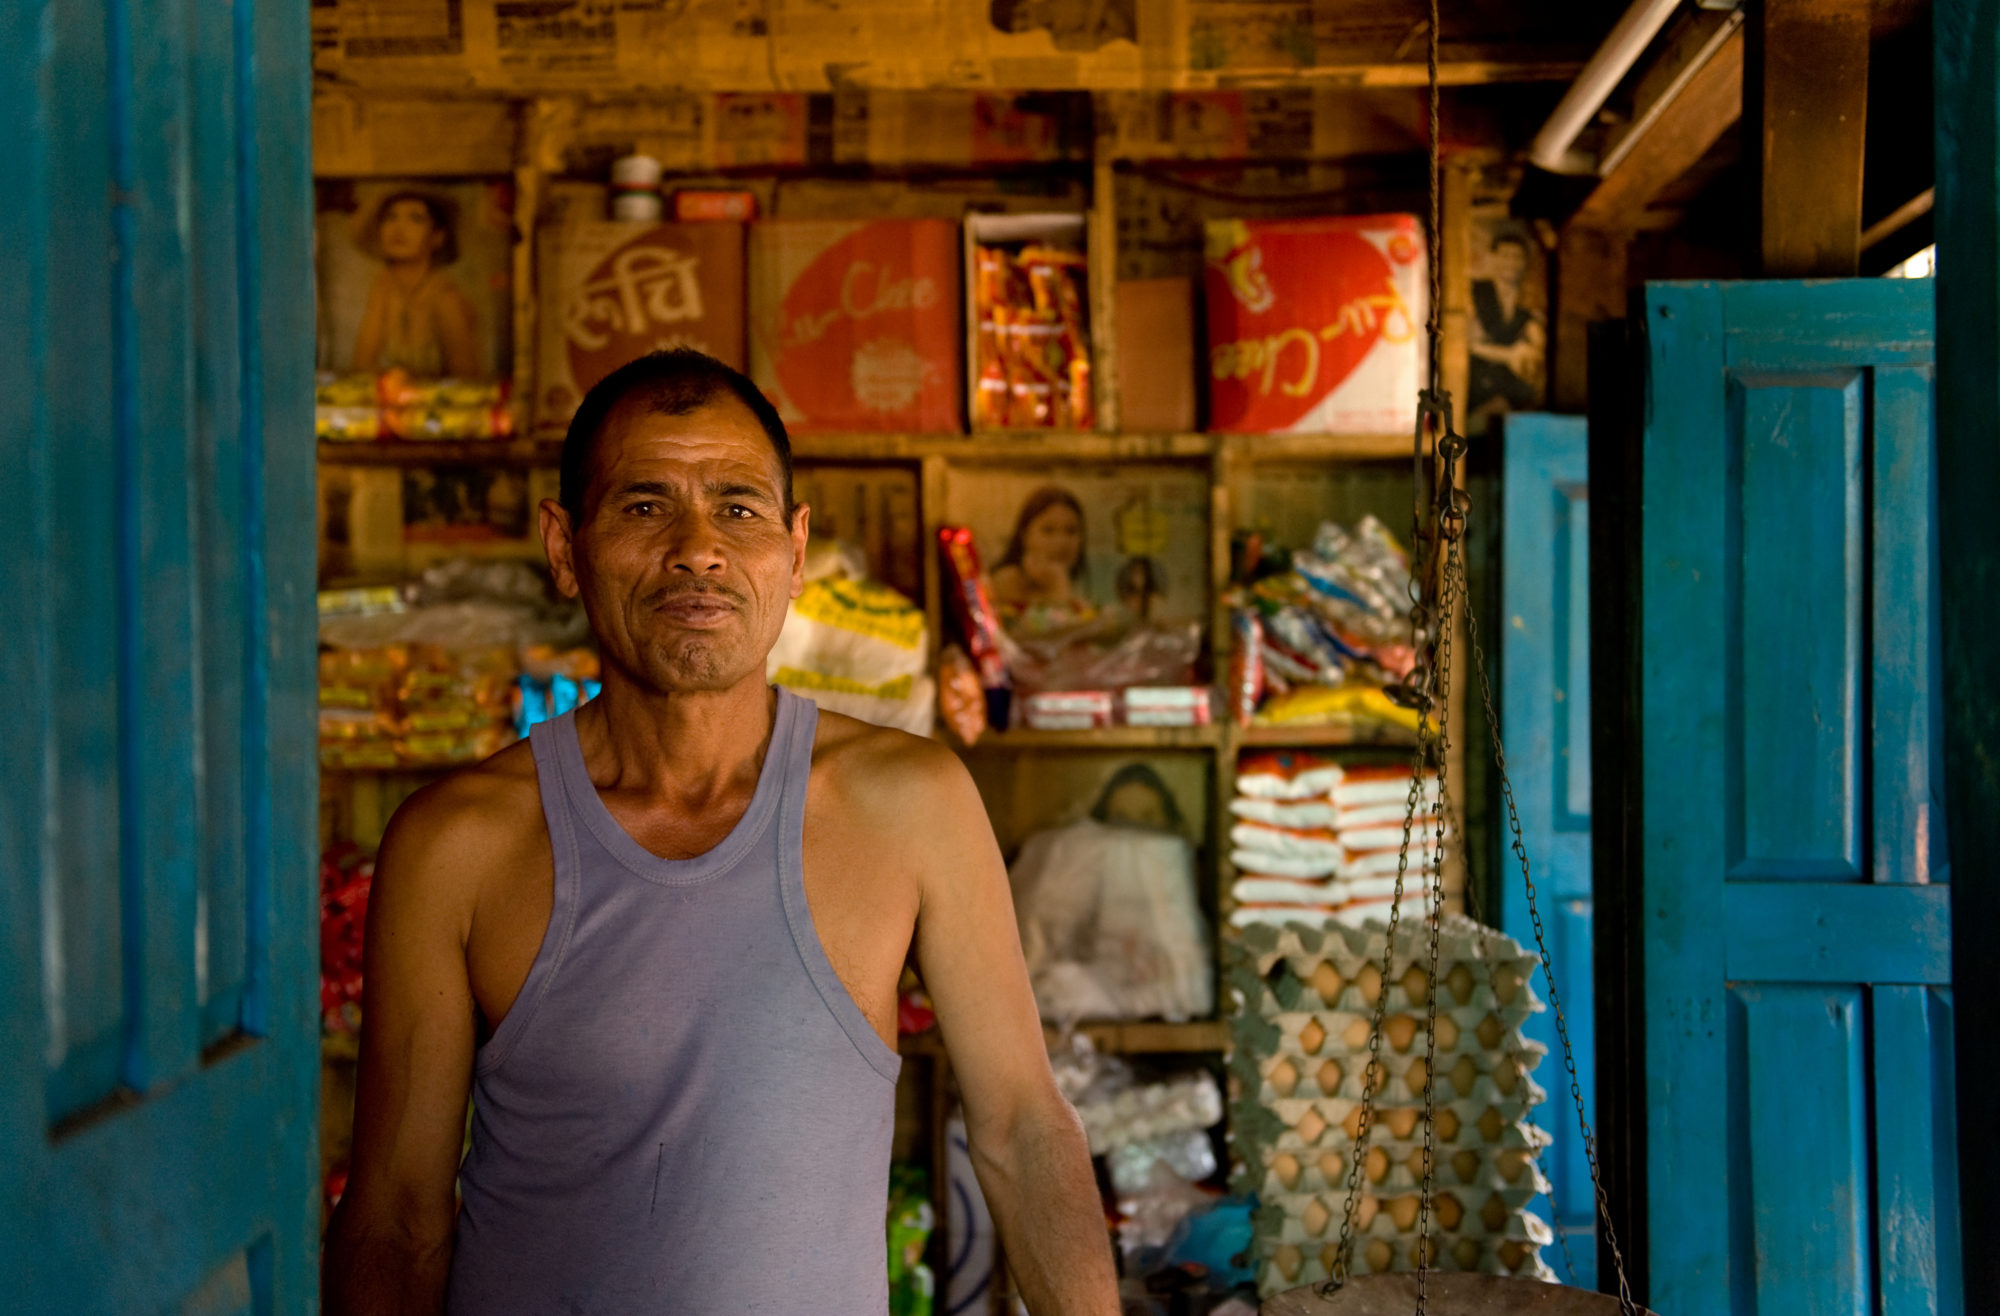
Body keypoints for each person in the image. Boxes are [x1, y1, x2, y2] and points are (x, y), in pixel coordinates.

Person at [323, 349, 1117, 1315]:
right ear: (566, 548)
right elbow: (397, 1219)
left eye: (738, 508)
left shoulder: (913, 805)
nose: (698, 547)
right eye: (646, 505)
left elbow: (1026, 1131)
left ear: (792, 552)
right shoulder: (457, 846)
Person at [351, 190, 482, 380]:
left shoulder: (445, 295)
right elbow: (362, 364)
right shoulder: (384, 284)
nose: (398, 228)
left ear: (437, 236)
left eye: (415, 219)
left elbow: (465, 377)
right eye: (391, 217)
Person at [988, 484, 1096, 635]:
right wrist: (1058, 586)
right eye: (1048, 531)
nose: (1061, 542)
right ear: (1025, 535)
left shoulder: (1078, 592)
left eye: (1071, 531)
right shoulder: (1007, 580)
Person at [1467, 231, 1546, 429]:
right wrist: (1509, 355)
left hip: (1509, 388)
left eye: (1517, 257)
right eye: (1505, 256)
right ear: (1493, 258)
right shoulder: (1475, 292)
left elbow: (1537, 346)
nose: (1511, 263)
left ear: (1525, 262)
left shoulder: (1527, 302)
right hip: (1477, 384)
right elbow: (1465, 343)